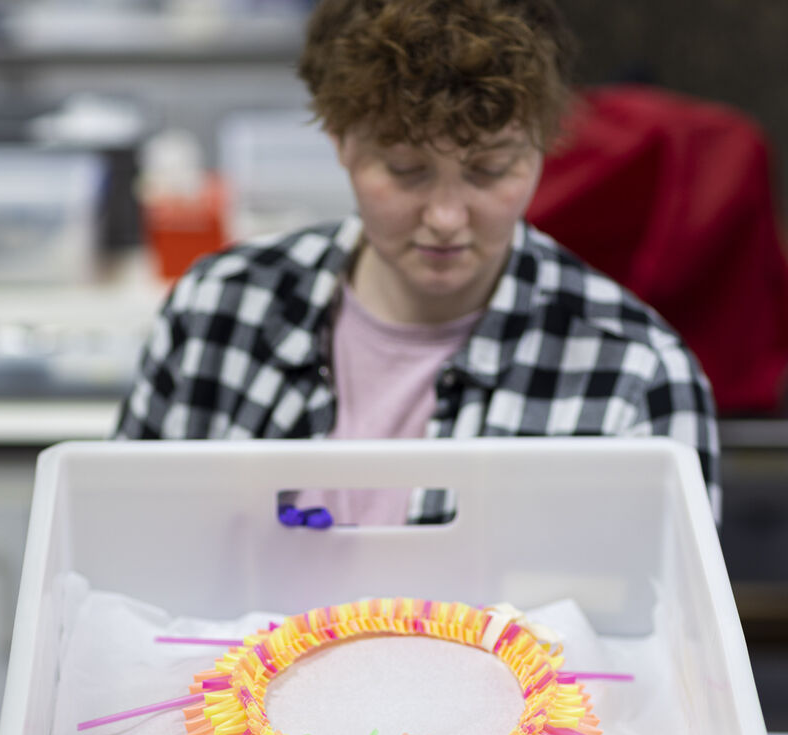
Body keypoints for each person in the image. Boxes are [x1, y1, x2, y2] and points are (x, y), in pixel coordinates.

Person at [114, 0, 721, 526]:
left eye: (490, 170)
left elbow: (664, 618)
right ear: (340, 141)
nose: (447, 217)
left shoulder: (634, 374)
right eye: (406, 170)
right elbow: (122, 559)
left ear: (540, 149)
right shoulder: (217, 312)